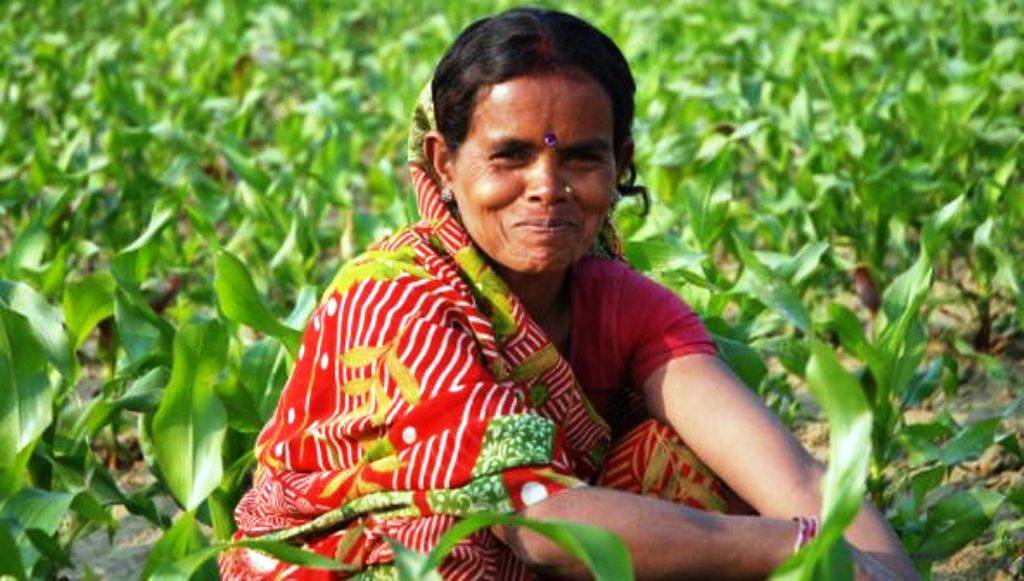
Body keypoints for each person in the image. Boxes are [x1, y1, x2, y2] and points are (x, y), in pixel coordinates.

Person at [222, 8, 917, 580]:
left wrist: (882, 571)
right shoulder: (398, 300)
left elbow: (793, 477)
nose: (547, 187)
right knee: (445, 537)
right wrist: (789, 545)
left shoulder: (623, 304)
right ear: (445, 162)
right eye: (511, 155)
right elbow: (539, 521)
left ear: (623, 164)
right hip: (341, 564)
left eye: (581, 156)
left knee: (675, 461)